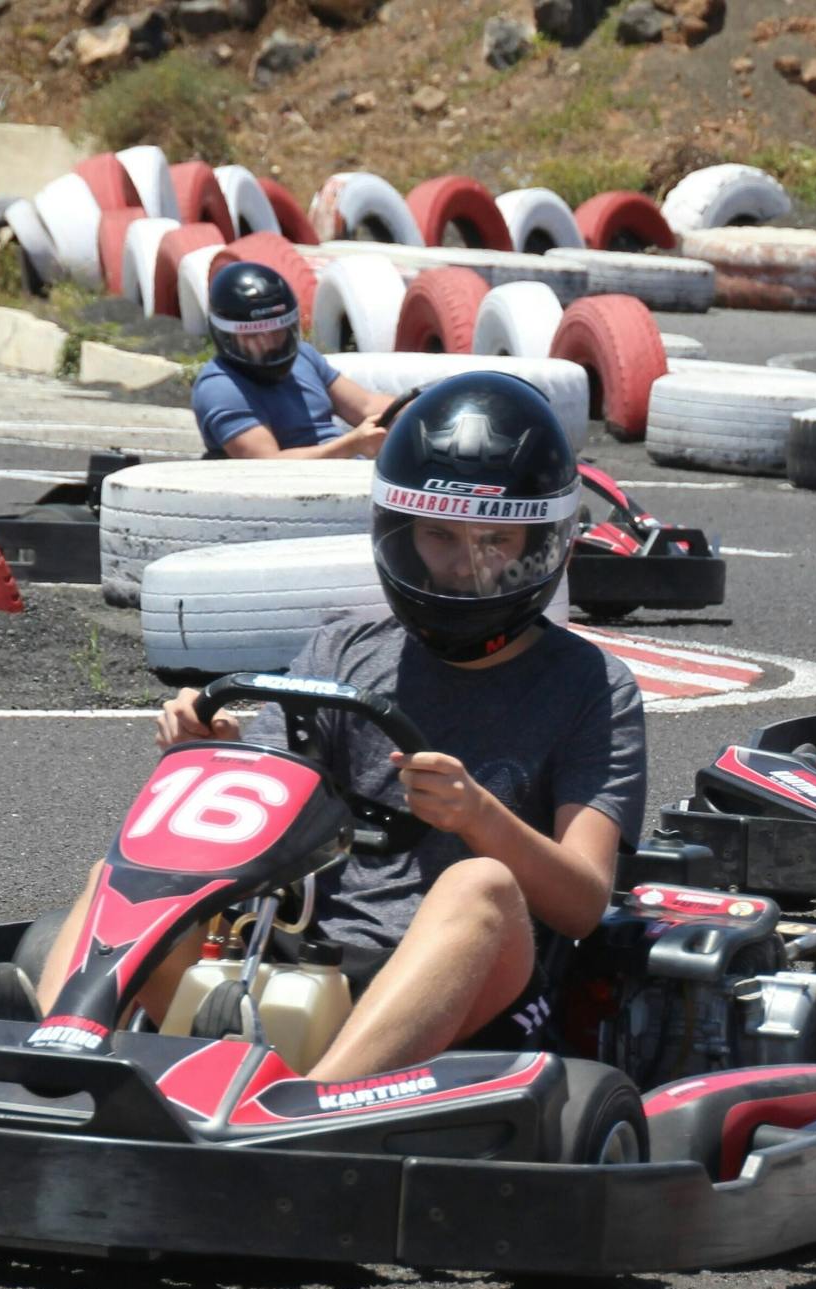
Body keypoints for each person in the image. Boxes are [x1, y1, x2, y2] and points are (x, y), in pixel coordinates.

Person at [32, 373, 647, 1082]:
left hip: (463, 986)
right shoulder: (345, 650)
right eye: (441, 537)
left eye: (497, 540)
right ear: (400, 532)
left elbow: (581, 903)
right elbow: (254, 824)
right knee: (133, 874)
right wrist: (216, 755)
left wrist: (481, 816)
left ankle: (313, 1103)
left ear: (547, 543)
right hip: (292, 956)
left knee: (481, 882)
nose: (466, 566)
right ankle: (53, 1059)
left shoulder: (591, 688)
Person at [192, 260, 399, 460]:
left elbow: (366, 405)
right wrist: (350, 446)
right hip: (293, 490)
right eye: (253, 336)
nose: (270, 344)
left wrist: (419, 407)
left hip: (349, 473)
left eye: (277, 332)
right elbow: (266, 465)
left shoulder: (303, 357)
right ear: (226, 336)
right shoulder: (221, 388)